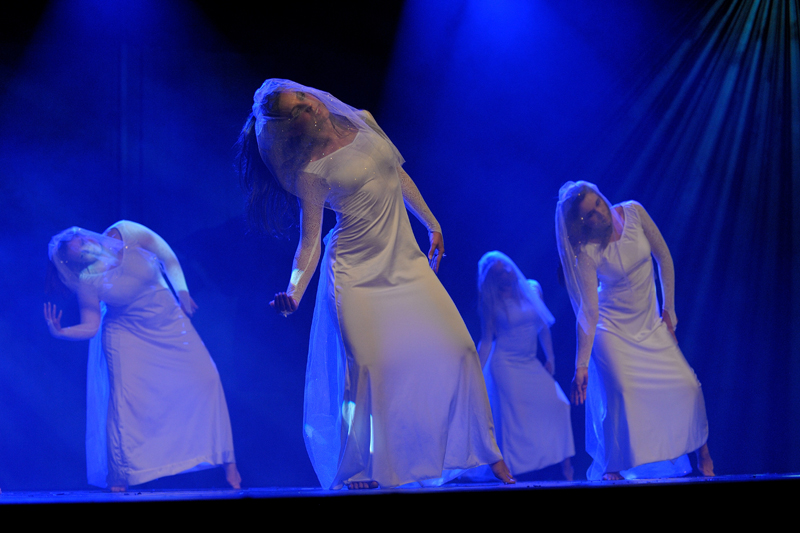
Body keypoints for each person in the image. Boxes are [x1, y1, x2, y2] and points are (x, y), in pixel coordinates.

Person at [236, 79, 513, 489]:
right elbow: (309, 244)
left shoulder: (363, 121)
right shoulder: (311, 171)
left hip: (404, 261)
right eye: (297, 111)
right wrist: (294, 292)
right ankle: (360, 466)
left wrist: (431, 223)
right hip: (354, 273)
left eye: (304, 98)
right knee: (366, 367)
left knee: (460, 349)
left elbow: (396, 173)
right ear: (292, 127)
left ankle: (487, 451)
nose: (309, 107)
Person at [45, 221, 240, 491]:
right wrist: (60, 332)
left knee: (207, 378)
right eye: (81, 252)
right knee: (125, 401)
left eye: (84, 241)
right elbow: (91, 326)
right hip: (125, 333)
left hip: (168, 319)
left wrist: (182, 291)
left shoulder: (126, 231)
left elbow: (166, 254)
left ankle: (227, 460)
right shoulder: (89, 280)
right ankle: (119, 475)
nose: (88, 247)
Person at [555, 181, 714, 480]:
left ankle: (703, 452)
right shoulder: (587, 251)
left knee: (688, 387)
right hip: (611, 328)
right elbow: (589, 312)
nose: (599, 213)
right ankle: (613, 466)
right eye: (590, 214)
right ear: (583, 221)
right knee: (622, 391)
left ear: (602, 196)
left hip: (650, 324)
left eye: (598, 204)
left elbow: (663, 257)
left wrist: (669, 311)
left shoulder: (634, 212)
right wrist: (581, 364)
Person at [477, 252, 575, 480]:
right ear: (492, 279)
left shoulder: (533, 288)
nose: (506, 274)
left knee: (559, 404)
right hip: (505, 363)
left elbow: (543, 327)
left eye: (506, 268)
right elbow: (487, 340)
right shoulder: (491, 302)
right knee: (514, 416)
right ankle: (511, 473)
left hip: (529, 361)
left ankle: (567, 467)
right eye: (499, 273)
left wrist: (550, 358)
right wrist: (476, 372)